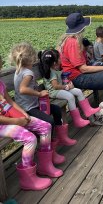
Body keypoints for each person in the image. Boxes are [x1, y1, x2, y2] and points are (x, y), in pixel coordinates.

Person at [0, 55, 63, 191]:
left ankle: (44, 166)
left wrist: (23, 113)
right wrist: (16, 121)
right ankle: (28, 179)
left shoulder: (0, 84)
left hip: (11, 116)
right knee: (30, 138)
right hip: (3, 124)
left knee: (45, 126)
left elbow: (10, 102)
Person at [58, 12, 103, 126]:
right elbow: (83, 69)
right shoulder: (72, 43)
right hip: (78, 78)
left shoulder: (71, 41)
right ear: (80, 27)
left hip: (79, 75)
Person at [10, 42, 76, 148]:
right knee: (49, 121)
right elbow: (23, 89)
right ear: (32, 58)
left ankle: (62, 137)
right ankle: (49, 148)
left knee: (56, 110)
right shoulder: (28, 73)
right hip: (28, 108)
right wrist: (39, 93)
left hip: (30, 104)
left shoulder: (19, 70)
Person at [38, 48, 100, 128]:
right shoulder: (52, 72)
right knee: (70, 97)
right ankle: (77, 120)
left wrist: (66, 83)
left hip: (59, 89)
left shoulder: (54, 69)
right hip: (54, 92)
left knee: (78, 91)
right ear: (54, 62)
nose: (61, 59)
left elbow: (59, 82)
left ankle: (87, 110)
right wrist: (67, 87)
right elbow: (55, 86)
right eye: (59, 58)